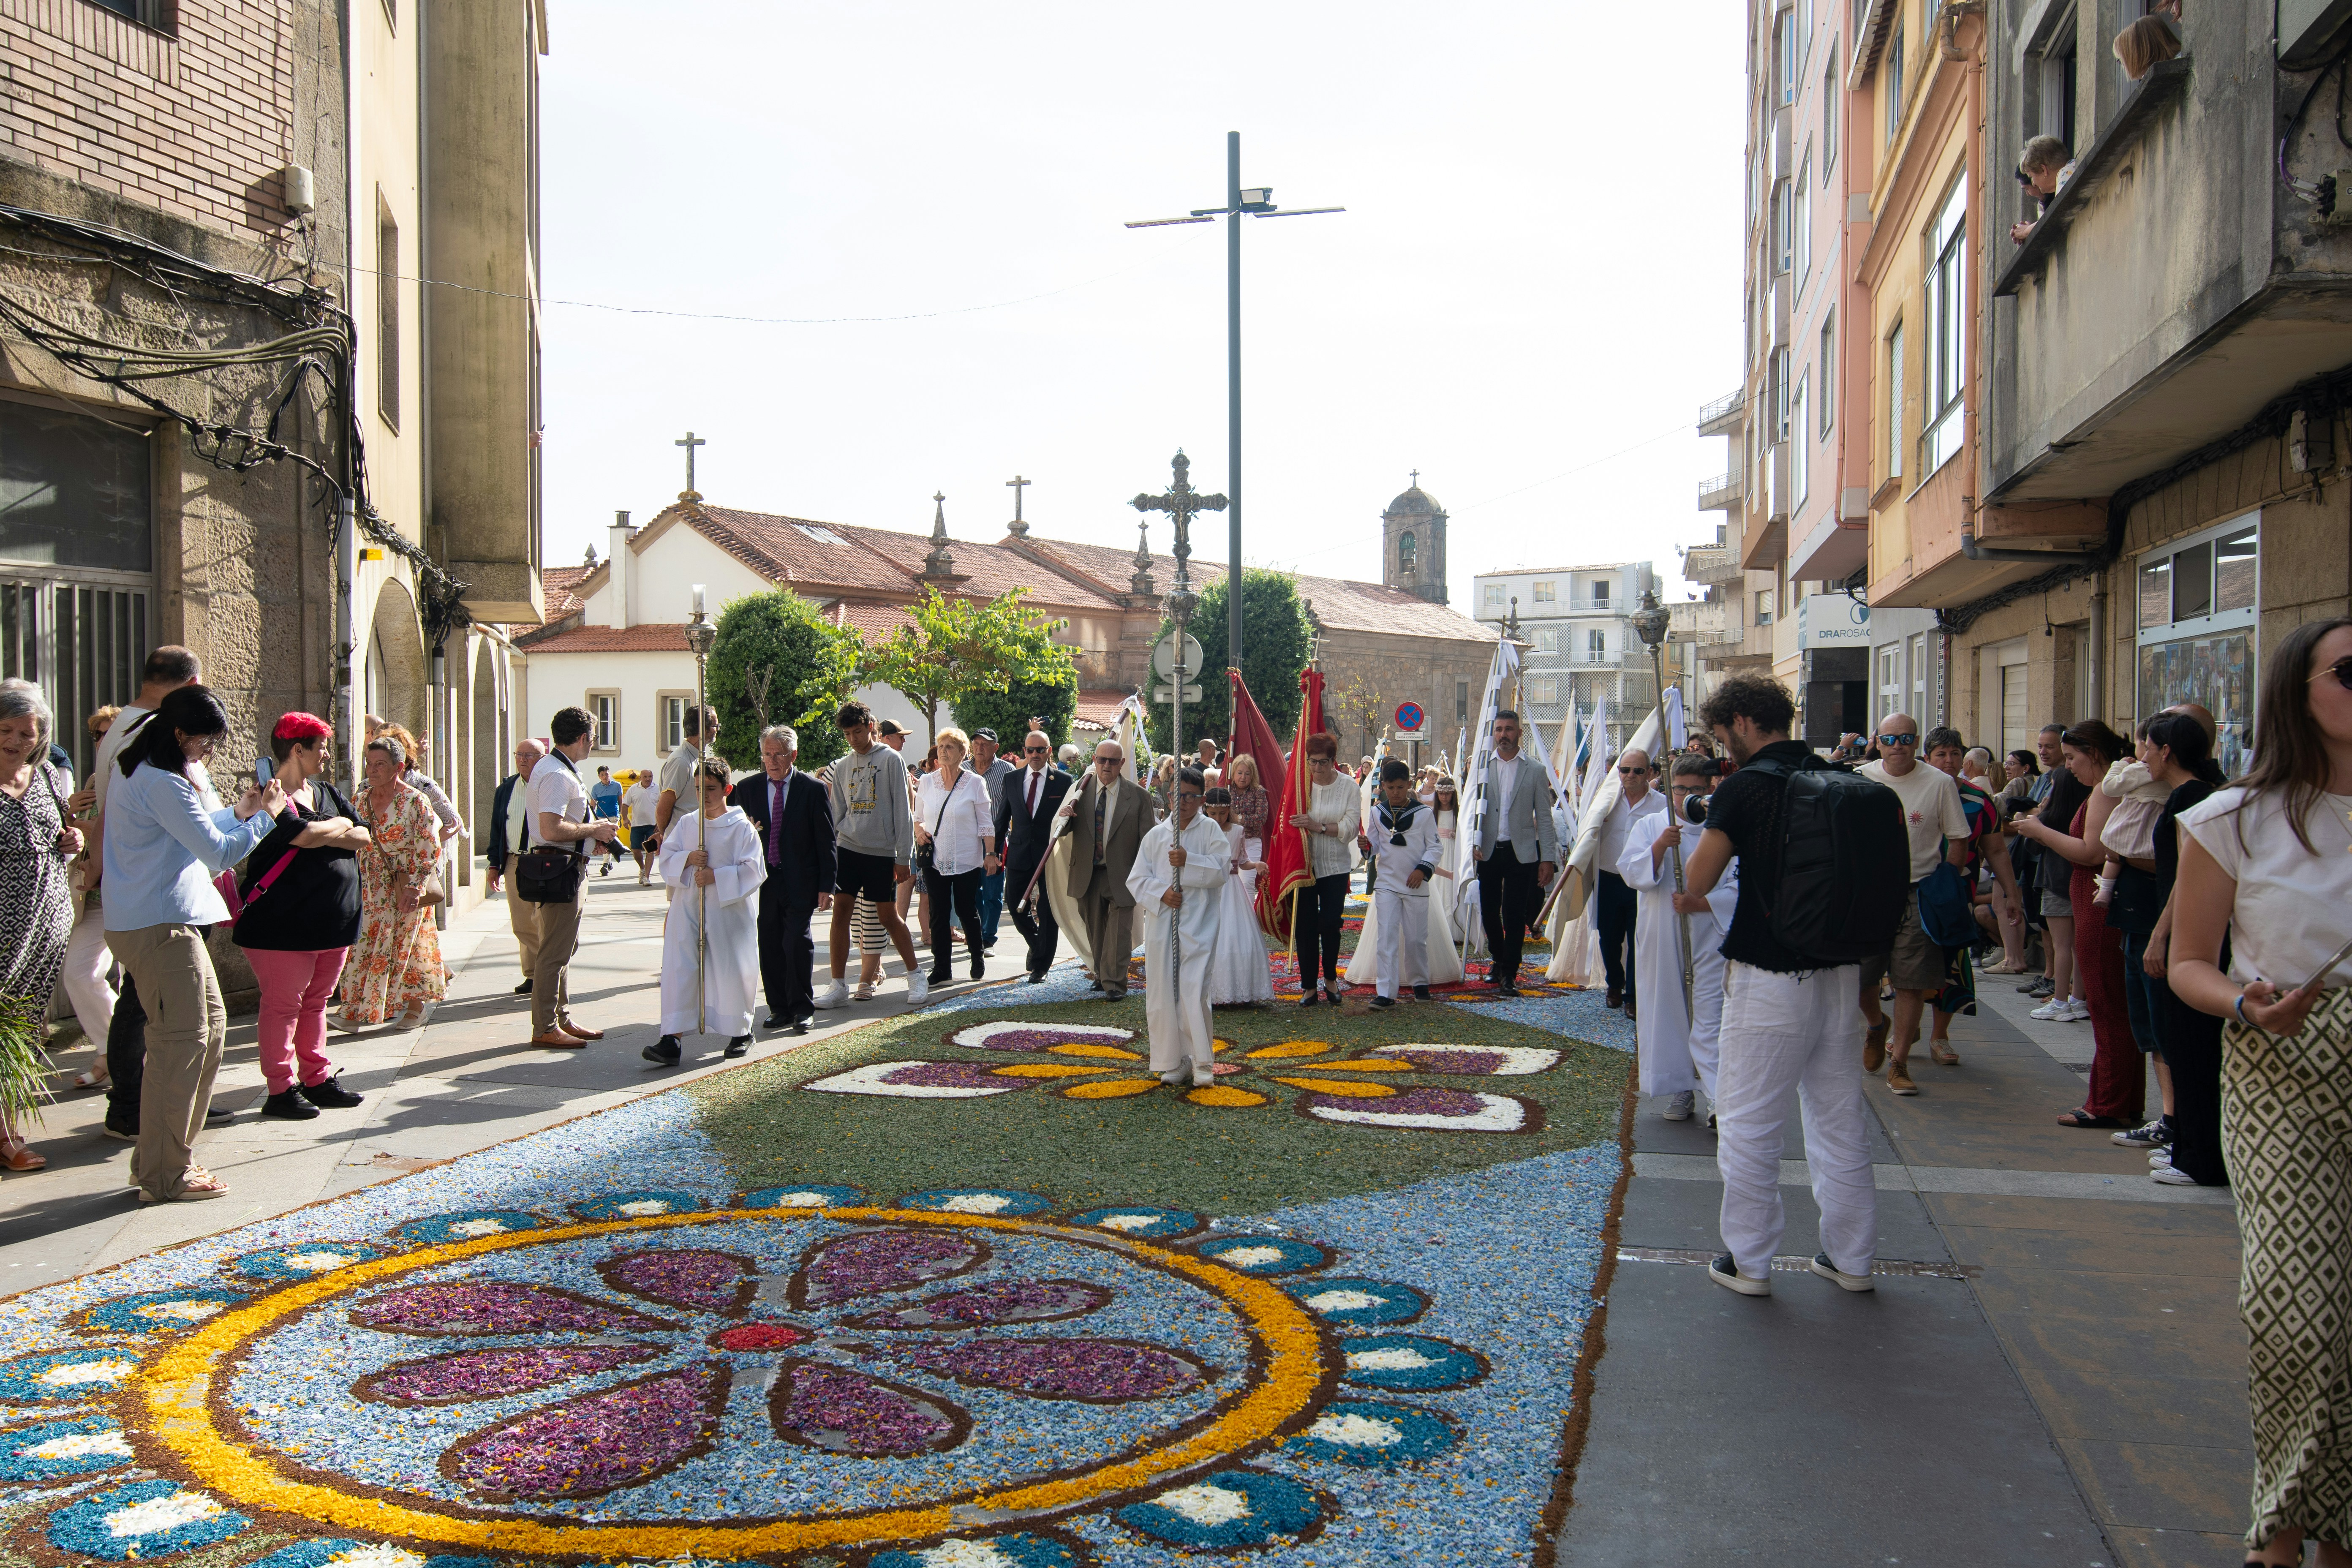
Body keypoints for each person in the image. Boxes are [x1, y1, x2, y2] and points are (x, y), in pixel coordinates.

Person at [2167, 617, 2352, 1568]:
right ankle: (2279, 1525)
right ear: (2299, 687)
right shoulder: (2234, 817)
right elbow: (2189, 962)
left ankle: (2337, 1534)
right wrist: (2245, 1000)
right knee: (2292, 1308)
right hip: (2285, 1077)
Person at [1678, 673, 1879, 1297]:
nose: (1721, 750)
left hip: (1769, 975)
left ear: (1741, 721)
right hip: (1841, 972)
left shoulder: (1746, 788)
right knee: (1839, 1118)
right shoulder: (1841, 780)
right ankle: (1853, 1259)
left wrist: (1710, 822)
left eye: (1720, 735)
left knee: (1749, 1120)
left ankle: (1750, 1261)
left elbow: (1699, 882)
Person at [102, 683, 283, 1202]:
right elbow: (217, 854)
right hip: (160, 924)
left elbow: (194, 833)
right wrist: (266, 817)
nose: (207, 753)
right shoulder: (164, 781)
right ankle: (164, 1173)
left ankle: (164, 1159)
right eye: (205, 743)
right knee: (181, 1044)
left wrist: (241, 812)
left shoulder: (145, 768)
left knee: (208, 1033)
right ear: (179, 733)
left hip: (165, 919)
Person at [85, 646, 205, 1142]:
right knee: (149, 1010)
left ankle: (144, 1107)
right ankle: (132, 1107)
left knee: (152, 1007)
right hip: (151, 896)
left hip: (152, 890)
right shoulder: (143, 731)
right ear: (190, 683)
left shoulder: (132, 726)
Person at [232, 713, 370, 1121]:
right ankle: (280, 1088)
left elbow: (363, 834)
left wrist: (333, 825)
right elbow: (300, 836)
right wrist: (337, 827)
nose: (327, 754)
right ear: (297, 750)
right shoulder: (266, 798)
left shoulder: (326, 791)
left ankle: (316, 1078)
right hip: (282, 925)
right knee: (282, 1007)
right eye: (321, 746)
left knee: (316, 1004)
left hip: (334, 922)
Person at [2014, 720, 2140, 1129]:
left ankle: (2108, 1101)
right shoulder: (2109, 786)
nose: (2068, 767)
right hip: (2095, 898)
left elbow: (2091, 851)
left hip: (2096, 902)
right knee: (2112, 1005)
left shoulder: (2105, 789)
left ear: (2095, 754)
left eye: (2072, 758)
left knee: (2106, 1004)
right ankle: (2119, 1098)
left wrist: (2039, 830)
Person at [1854, 713, 1971, 1096]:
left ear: (1917, 742)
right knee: (1860, 980)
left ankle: (1899, 1062)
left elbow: (1959, 839)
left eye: (1906, 738)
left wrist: (1945, 884)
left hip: (1919, 892)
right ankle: (1876, 1025)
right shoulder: (1862, 779)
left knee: (1911, 982)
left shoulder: (1938, 783)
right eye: (1890, 739)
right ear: (1878, 742)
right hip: (1872, 895)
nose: (1898, 746)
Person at [2134, 708, 2226, 1185]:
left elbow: (2188, 879)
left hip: (2190, 940)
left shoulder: (2193, 800)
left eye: (2148, 748)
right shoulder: (2188, 796)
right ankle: (2188, 1145)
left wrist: (2160, 935)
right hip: (2186, 934)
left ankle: (2199, 1157)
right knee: (2180, 1044)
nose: (2143, 757)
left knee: (2191, 1047)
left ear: (2167, 751)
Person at [1622, 752, 1738, 1123]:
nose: (1688, 796)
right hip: (1663, 934)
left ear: (1711, 789)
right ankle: (1680, 1089)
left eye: (1698, 789)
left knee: (1709, 1018)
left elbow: (1741, 885)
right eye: (1681, 790)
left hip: (1709, 936)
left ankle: (1720, 1100)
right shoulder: (1652, 824)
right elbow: (1630, 870)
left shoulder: (1723, 827)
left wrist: (1702, 903)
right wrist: (1658, 847)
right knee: (1669, 1013)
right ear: (1670, 789)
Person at [0, 680, 83, 1172]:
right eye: (6, 729)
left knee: (26, 1028)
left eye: (26, 731)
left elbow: (59, 832)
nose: (15, 740)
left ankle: (9, 1128)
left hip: (46, 921)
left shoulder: (49, 775)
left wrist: (70, 839)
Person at [648, 758, 766, 1065]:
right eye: (699, 789)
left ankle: (741, 1030)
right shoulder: (689, 823)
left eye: (711, 789)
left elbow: (755, 871)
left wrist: (717, 876)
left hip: (728, 911)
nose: (704, 796)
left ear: (727, 789)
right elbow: (667, 858)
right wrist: (688, 858)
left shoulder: (742, 828)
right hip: (688, 906)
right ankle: (671, 1038)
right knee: (680, 966)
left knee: (730, 968)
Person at [1922, 726, 2024, 1060]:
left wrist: (2012, 894)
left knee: (1952, 960)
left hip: (1958, 892)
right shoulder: (1913, 791)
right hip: (1914, 889)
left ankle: (1940, 1036)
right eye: (1941, 754)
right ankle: (1903, 1031)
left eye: (1955, 754)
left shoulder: (1979, 801)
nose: (1949, 761)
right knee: (1907, 961)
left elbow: (1996, 852)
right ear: (1928, 758)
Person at [816, 702, 925, 1010]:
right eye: (848, 734)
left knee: (888, 916)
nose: (853, 739)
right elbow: (837, 811)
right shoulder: (842, 766)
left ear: (871, 728)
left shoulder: (892, 759)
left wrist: (903, 857)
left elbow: (904, 811)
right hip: (849, 850)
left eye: (858, 732)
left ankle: (916, 976)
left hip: (881, 853)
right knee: (841, 914)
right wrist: (835, 852)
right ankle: (838, 985)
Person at [728, 725, 834, 1034]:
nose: (772, 761)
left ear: (794, 755)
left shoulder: (813, 789)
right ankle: (779, 1008)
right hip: (762, 881)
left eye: (779, 755)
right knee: (770, 942)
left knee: (796, 942)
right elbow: (734, 836)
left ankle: (802, 1008)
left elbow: (826, 839)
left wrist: (827, 885)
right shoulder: (746, 789)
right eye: (767, 754)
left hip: (801, 879)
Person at [336, 734, 446, 1030]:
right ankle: (357, 1010)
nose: (372, 770)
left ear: (398, 767)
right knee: (364, 947)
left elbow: (430, 847)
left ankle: (416, 1009)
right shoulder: (360, 800)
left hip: (405, 885)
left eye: (380, 764)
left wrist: (416, 886)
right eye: (369, 764)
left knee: (407, 948)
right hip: (369, 887)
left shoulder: (415, 800)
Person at [1127, 766, 1228, 1085]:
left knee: (1193, 990)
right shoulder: (1157, 836)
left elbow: (1221, 871)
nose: (1182, 802)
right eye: (1178, 795)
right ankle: (1173, 1059)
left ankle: (1202, 1061)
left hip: (1199, 923)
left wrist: (1189, 861)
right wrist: (1162, 893)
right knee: (1163, 991)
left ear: (1201, 800)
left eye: (1190, 796)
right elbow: (1138, 879)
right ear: (1169, 796)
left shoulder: (1211, 831)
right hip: (1163, 926)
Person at [526, 707, 618, 1047]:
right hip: (559, 868)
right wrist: (595, 829)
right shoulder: (557, 774)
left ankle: (559, 1018)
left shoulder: (559, 769)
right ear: (582, 738)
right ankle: (546, 1026)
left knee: (564, 947)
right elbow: (551, 828)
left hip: (566, 865)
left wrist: (591, 838)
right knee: (554, 951)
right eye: (593, 738)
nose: (593, 745)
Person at [1471, 710, 1559, 997]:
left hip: (1521, 853)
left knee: (1514, 913)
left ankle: (1510, 971)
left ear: (1519, 733)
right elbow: (1471, 810)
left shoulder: (1534, 770)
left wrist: (1548, 858)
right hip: (1488, 852)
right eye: (1499, 730)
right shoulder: (1483, 768)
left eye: (1509, 729)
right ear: (1493, 733)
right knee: (1488, 910)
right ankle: (1498, 959)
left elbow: (1544, 818)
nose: (1503, 735)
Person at [56, 705, 120, 1090]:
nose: (103, 740)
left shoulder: (135, 773)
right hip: (94, 899)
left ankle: (126, 1060)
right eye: (97, 734)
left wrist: (82, 824)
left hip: (134, 896)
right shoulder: (93, 781)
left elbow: (122, 831)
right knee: (80, 975)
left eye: (110, 732)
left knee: (138, 987)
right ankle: (114, 1051)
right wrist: (66, 815)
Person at [1061, 738, 1153, 1000]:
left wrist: (1146, 876)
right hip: (1087, 875)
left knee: (1119, 932)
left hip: (1123, 875)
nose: (1107, 766)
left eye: (1113, 761)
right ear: (1095, 761)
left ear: (1122, 764)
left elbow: (1148, 841)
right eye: (1102, 760)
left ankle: (1115, 983)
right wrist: (1066, 816)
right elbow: (1063, 829)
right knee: (1096, 930)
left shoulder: (1138, 797)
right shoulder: (1081, 790)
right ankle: (1102, 975)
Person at [915, 727, 997, 986]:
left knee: (965, 909)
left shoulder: (975, 783)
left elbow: (986, 823)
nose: (944, 751)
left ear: (963, 753)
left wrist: (991, 854)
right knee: (938, 913)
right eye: (941, 747)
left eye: (950, 747)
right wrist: (919, 833)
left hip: (966, 858)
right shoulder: (927, 782)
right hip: (935, 859)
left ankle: (977, 956)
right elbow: (918, 818)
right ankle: (942, 968)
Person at [1288, 732, 1361, 1006]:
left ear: (1334, 761)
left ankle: (1330, 979)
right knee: (1305, 927)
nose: (1317, 769)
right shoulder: (1299, 784)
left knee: (1331, 924)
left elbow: (1351, 828)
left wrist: (1316, 827)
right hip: (1303, 867)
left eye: (1323, 763)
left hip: (1335, 866)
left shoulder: (1349, 787)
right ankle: (1308, 987)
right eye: (1312, 762)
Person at [1364, 760, 1443, 1010]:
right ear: (1383, 786)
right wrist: (1366, 846)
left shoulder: (1424, 813)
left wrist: (1422, 870)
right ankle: (1386, 992)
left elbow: (1435, 846)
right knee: (1386, 938)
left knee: (1416, 939)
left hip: (1415, 884)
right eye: (1390, 788)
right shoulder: (1377, 812)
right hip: (1386, 882)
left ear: (1409, 785)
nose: (1395, 793)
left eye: (1400, 787)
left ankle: (1420, 982)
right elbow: (1374, 846)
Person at [1594, 747, 1666, 1014]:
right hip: (1608, 877)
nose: (1630, 776)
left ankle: (1633, 995)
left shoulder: (1661, 805)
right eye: (1625, 770)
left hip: (1642, 882)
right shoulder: (1606, 801)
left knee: (1639, 937)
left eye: (1638, 770)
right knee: (1608, 937)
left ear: (1649, 773)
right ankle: (1615, 982)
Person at [997, 730, 1071, 983]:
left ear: (1050, 751)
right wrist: (993, 852)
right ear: (1024, 751)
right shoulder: (1012, 779)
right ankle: (1037, 941)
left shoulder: (1063, 781)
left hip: (1050, 856)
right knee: (1015, 906)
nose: (1036, 754)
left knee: (1048, 911)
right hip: (1019, 853)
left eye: (1041, 750)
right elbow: (1002, 817)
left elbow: (1069, 822)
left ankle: (1041, 965)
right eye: (1031, 750)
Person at [484, 739, 547, 996]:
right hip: (514, 861)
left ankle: (550, 971)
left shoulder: (550, 784)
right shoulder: (507, 788)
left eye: (530, 755)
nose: (523, 759)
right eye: (519, 754)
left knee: (544, 920)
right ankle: (534, 975)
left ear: (542, 758)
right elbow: (497, 828)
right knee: (522, 924)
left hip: (545, 860)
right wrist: (494, 864)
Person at [1203, 787, 1274, 1006]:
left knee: (1235, 933)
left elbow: (1242, 860)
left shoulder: (1237, 831)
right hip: (1209, 887)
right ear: (1206, 810)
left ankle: (1240, 989)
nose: (1217, 818)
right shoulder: (1202, 830)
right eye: (1213, 813)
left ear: (1229, 811)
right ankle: (1210, 991)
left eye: (1222, 813)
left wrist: (1257, 864)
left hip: (1232, 887)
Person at [967, 728, 1014, 952]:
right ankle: (978, 932)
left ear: (996, 748)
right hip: (967, 841)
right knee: (971, 892)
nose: (979, 748)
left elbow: (1014, 808)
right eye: (976, 743)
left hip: (995, 842)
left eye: (985, 744)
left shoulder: (1007, 771)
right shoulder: (963, 769)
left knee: (993, 892)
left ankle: (988, 938)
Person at [655, 704, 710, 846]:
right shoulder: (681, 762)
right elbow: (663, 810)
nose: (718, 730)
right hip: (682, 841)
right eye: (716, 725)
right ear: (704, 731)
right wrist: (666, 834)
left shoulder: (697, 757)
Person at [2009, 134, 2074, 243]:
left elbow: (2056, 218)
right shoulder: (2069, 170)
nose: (2033, 183)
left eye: (2031, 177)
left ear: (2044, 170)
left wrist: (2026, 231)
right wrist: (2031, 231)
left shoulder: (2066, 173)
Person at [623, 767, 660, 885]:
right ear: (641, 778)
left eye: (650, 777)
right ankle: (643, 869)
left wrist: (660, 824)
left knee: (650, 851)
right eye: (645, 777)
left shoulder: (658, 789)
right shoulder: (634, 789)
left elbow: (663, 807)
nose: (648, 779)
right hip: (637, 825)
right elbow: (625, 804)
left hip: (652, 825)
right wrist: (625, 819)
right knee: (636, 851)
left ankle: (647, 877)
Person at [590, 765, 624, 876]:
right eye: (602, 775)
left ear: (610, 774)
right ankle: (608, 863)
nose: (605, 777)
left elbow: (621, 802)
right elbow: (593, 805)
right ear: (599, 776)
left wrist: (621, 815)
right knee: (605, 840)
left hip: (614, 816)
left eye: (606, 774)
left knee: (610, 838)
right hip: (601, 817)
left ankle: (606, 864)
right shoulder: (596, 788)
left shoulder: (617, 786)